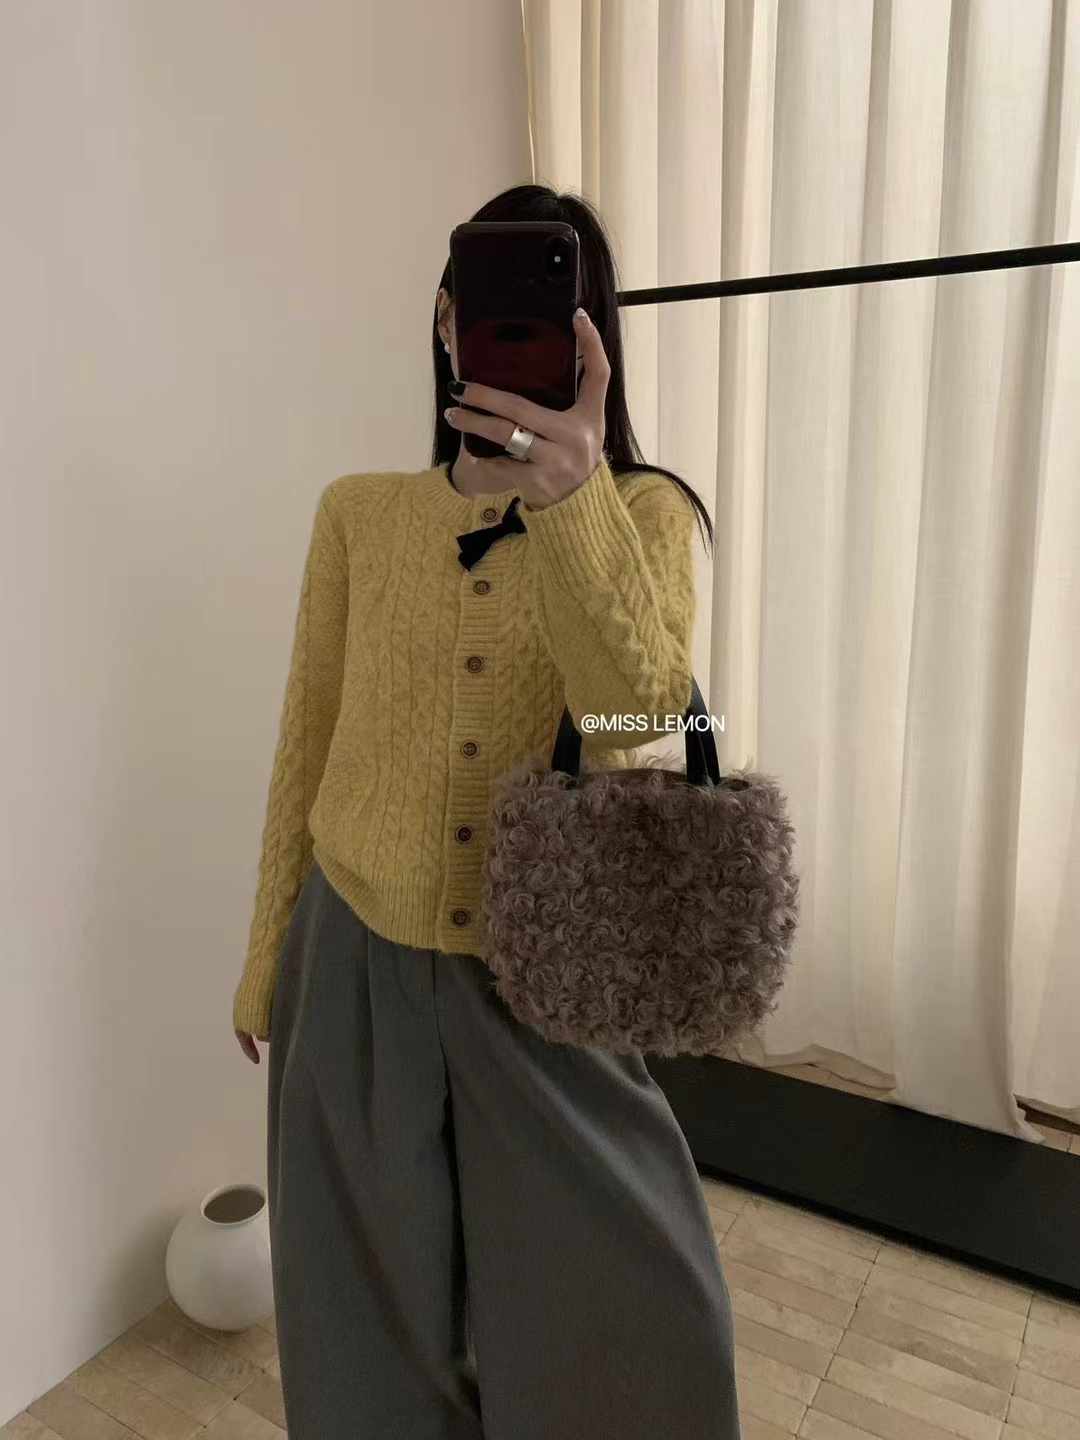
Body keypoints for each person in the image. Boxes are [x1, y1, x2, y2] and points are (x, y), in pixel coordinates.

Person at [232, 183, 740, 1440]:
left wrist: (571, 505)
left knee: (626, 1329)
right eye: (478, 306)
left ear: (588, 342)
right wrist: (266, 959)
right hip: (350, 967)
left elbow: (635, 723)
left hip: (544, 984)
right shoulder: (360, 513)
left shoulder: (644, 516)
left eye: (546, 314)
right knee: (364, 1339)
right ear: (446, 323)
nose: (499, 333)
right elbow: (306, 739)